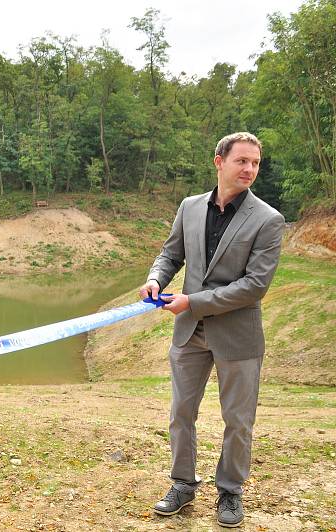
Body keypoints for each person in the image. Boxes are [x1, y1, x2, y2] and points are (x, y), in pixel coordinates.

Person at [139, 132, 284, 528]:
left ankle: (230, 491)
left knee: (238, 419)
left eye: (255, 163)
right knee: (181, 412)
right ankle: (183, 484)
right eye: (242, 161)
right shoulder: (188, 207)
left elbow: (255, 285)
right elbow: (171, 253)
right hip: (189, 332)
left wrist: (193, 302)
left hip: (238, 334)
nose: (250, 169)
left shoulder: (269, 220)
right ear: (219, 161)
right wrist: (156, 278)